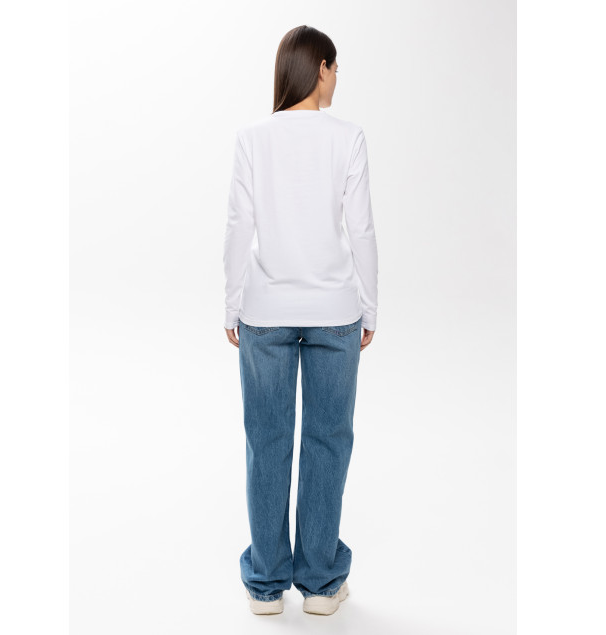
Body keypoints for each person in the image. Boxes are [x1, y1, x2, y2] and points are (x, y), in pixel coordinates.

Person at [222, 24, 379, 617]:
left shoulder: (252, 138)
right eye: (335, 68)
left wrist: (232, 302)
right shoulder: (348, 138)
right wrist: (370, 305)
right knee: (327, 442)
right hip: (335, 312)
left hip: (265, 311)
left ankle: (266, 584)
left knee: (266, 443)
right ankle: (319, 583)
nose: (337, 79)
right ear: (319, 68)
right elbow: (361, 228)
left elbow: (239, 225)